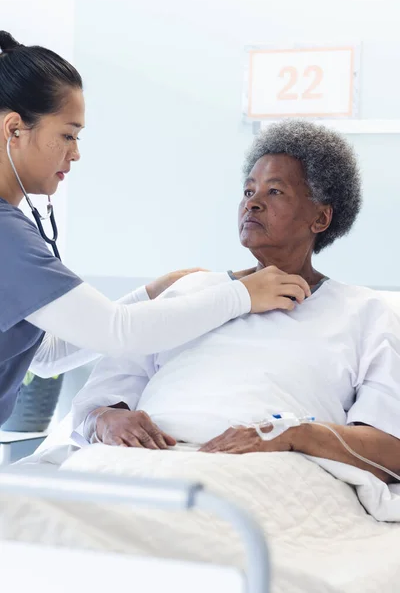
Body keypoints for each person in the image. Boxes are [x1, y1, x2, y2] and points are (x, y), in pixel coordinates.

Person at [0, 31, 308, 427]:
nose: (76, 152)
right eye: (67, 134)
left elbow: (45, 356)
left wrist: (151, 293)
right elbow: (116, 333)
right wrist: (243, 296)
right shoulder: (7, 236)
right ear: (14, 130)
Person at [68, 119, 400, 484]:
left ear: (320, 218)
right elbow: (99, 398)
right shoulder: (190, 291)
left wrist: (292, 435)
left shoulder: (366, 313)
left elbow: (389, 450)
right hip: (138, 461)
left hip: (264, 473)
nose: (252, 204)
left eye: (274, 192)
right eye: (248, 191)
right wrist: (107, 420)